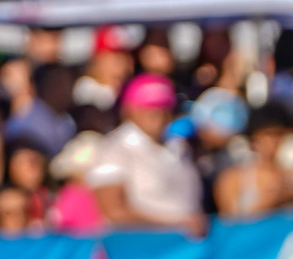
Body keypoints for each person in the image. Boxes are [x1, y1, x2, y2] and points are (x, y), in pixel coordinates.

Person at [86, 74, 205, 235]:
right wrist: (177, 223)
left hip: (186, 246)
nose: (158, 113)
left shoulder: (178, 147)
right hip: (140, 246)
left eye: (164, 106)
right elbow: (114, 212)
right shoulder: (114, 149)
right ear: (128, 109)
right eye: (149, 106)